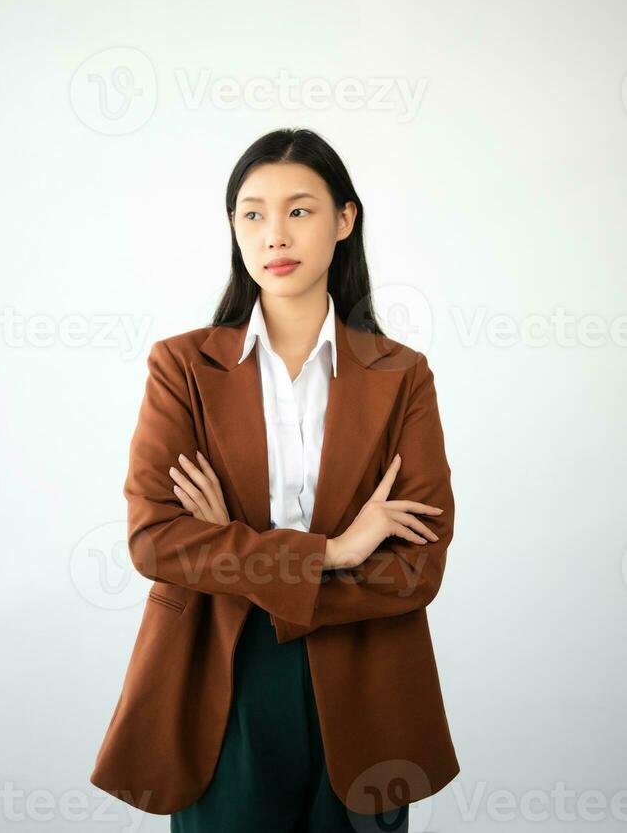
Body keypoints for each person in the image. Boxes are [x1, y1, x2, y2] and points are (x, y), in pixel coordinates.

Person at [89, 127, 460, 832]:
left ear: (344, 220)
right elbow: (154, 542)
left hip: (367, 680)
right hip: (216, 675)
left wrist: (232, 544)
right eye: (252, 213)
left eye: (298, 210)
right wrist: (334, 551)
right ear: (233, 228)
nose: (273, 235)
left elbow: (417, 566)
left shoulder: (399, 374)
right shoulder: (182, 368)